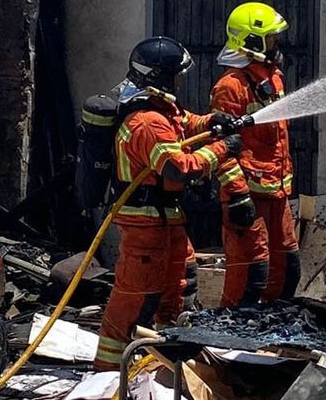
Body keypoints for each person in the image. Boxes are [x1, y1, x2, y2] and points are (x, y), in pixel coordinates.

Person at [96, 36, 241, 369]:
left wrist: (212, 121)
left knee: (178, 286)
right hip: (145, 225)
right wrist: (222, 149)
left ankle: (161, 362)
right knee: (135, 300)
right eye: (176, 74)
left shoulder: (161, 111)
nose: (179, 80)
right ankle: (107, 375)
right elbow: (179, 168)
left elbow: (186, 122)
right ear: (160, 77)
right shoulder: (147, 122)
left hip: (166, 219)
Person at [212, 1, 299, 306]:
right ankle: (228, 335)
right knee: (250, 274)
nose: (276, 44)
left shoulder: (273, 77)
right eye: (271, 38)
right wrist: (237, 195)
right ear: (251, 41)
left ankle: (270, 332)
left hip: (277, 192)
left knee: (287, 268)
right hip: (248, 195)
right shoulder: (230, 86)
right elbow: (220, 147)